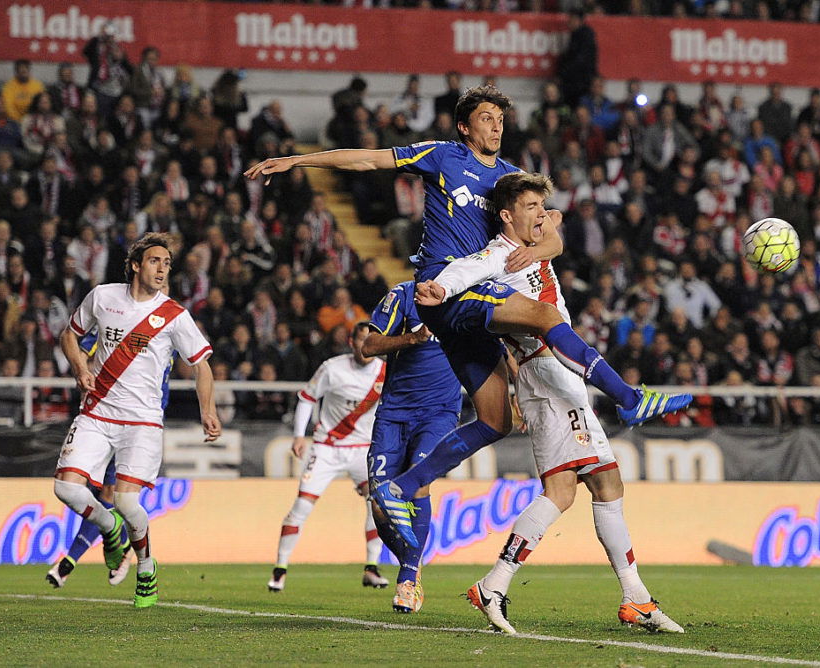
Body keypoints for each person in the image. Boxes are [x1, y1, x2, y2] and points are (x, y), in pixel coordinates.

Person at [245, 87, 691, 549]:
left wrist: (534, 249)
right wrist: (299, 161)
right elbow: (369, 160)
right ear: (464, 126)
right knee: (541, 314)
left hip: (472, 300)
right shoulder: (442, 156)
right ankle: (627, 397)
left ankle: (403, 486)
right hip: (447, 286)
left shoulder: (512, 181)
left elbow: (554, 234)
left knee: (495, 421)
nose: (496, 126)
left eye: (500, 119)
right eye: (485, 118)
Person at [427, 172, 683, 634]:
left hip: (559, 374)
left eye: (542, 209)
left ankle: (633, 597)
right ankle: (498, 584)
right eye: (531, 208)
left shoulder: (536, 236)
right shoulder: (499, 254)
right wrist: (441, 288)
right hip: (546, 371)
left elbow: (558, 226)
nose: (542, 216)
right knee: (574, 489)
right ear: (506, 215)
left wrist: (543, 236)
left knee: (598, 484)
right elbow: (468, 269)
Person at [54, 232, 220, 608]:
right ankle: (108, 528)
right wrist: (81, 368)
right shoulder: (103, 296)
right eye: (154, 261)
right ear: (134, 265)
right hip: (97, 412)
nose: (162, 269)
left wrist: (208, 410)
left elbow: (202, 366)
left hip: (142, 422)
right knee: (66, 489)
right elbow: (70, 335)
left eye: (167, 263)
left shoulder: (175, 315)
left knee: (129, 504)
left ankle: (145, 566)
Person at [362, 281, 462, 614]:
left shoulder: (467, 295)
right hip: (393, 414)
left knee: (418, 481)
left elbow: (496, 344)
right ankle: (413, 564)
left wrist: (513, 387)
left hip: (439, 412)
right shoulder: (402, 295)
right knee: (380, 505)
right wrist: (411, 338)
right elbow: (368, 345)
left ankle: (406, 579)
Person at [267, 322, 389, 593]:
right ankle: (280, 569)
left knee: (378, 504)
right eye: (361, 340)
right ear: (351, 342)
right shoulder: (332, 368)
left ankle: (371, 567)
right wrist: (300, 435)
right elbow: (307, 397)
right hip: (327, 448)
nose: (366, 346)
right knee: (302, 506)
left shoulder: (386, 372)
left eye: (371, 341)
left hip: (362, 449)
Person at [556, 11, 598, 109]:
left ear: (580, 21)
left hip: (581, 83)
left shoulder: (585, 37)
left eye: (572, 20)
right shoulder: (575, 36)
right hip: (575, 82)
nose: (570, 23)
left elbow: (580, 60)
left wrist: (564, 73)